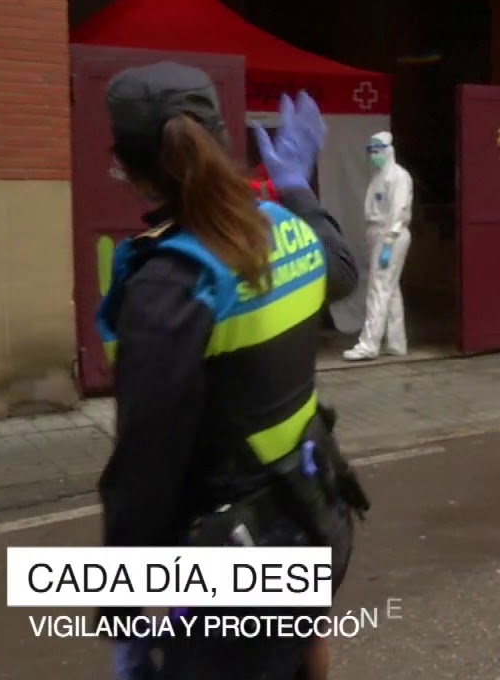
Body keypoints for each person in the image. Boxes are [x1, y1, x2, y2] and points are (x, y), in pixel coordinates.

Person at [95, 62, 370, 680]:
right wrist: (295, 185)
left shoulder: (168, 281)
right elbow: (346, 272)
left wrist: (124, 605)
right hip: (314, 513)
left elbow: (146, 465)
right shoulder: (284, 228)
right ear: (220, 139)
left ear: (128, 166)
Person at [343, 131, 412, 361]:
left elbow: (399, 210)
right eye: (371, 151)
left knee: (378, 289)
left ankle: (368, 344)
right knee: (390, 290)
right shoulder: (379, 176)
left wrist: (390, 241)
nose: (374, 155)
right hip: (378, 233)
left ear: (388, 150)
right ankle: (396, 342)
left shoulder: (398, 177)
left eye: (377, 150)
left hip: (389, 234)